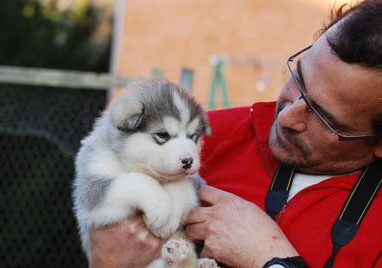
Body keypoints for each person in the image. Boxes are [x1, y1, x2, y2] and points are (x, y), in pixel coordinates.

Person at [89, 1, 382, 267]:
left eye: (324, 118)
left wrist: (269, 259)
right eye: (299, 79)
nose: (286, 116)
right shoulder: (206, 137)